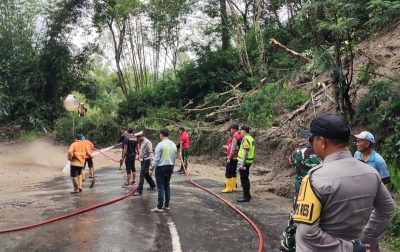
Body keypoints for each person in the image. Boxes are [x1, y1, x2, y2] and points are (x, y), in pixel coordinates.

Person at [294, 114, 395, 252]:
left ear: (322, 142)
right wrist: (366, 240)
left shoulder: (314, 179)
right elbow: (387, 210)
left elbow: (306, 233)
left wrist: (347, 248)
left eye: (313, 139)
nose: (312, 144)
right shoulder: (371, 174)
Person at [280, 135, 321, 252]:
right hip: (319, 195)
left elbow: (290, 161)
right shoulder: (325, 156)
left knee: (294, 221)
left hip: (301, 194)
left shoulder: (298, 153)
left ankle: (289, 247)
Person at [149, 128, 177, 212]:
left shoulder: (160, 145)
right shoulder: (173, 144)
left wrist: (151, 168)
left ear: (161, 134)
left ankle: (159, 207)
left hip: (161, 167)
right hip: (169, 166)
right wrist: (172, 168)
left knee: (160, 187)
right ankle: (166, 205)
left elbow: (157, 158)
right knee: (167, 186)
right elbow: (174, 158)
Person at [133, 131, 157, 196]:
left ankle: (139, 190)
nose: (138, 139)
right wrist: (140, 157)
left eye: (138, 138)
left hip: (146, 161)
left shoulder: (147, 142)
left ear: (142, 136)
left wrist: (152, 162)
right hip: (143, 160)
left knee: (142, 175)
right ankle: (153, 185)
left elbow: (150, 153)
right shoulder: (142, 142)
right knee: (146, 174)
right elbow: (143, 152)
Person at [236, 125, 255, 202]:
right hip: (248, 161)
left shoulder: (245, 139)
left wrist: (242, 164)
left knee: (244, 179)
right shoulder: (251, 138)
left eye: (240, 131)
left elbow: (245, 152)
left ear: (243, 131)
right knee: (245, 178)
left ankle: (246, 196)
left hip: (245, 162)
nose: (240, 132)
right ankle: (247, 195)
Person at [221, 124, 242, 193]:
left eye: (231, 130)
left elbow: (233, 149)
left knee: (229, 172)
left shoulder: (235, 137)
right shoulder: (239, 136)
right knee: (233, 172)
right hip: (236, 157)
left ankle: (228, 187)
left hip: (232, 157)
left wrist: (229, 158)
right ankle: (233, 187)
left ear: (233, 129)